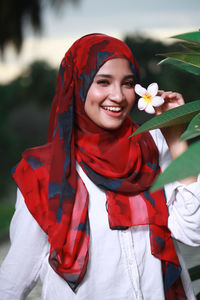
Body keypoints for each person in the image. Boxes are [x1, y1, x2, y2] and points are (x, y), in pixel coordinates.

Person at [0, 33, 200, 300]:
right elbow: (14, 280)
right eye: (103, 82)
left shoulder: (154, 145)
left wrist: (175, 138)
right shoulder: (46, 172)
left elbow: (192, 231)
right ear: (77, 85)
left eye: (127, 83)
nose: (117, 96)